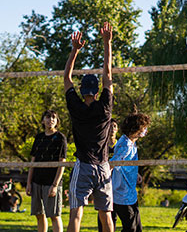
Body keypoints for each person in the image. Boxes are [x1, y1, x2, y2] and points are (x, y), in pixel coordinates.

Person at [64, 22, 114, 232]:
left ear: (82, 91)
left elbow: (66, 78)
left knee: (76, 214)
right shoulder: (104, 108)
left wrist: (74, 51)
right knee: (106, 217)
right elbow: (108, 75)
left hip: (83, 165)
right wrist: (106, 43)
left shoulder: (76, 107)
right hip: (103, 167)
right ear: (96, 93)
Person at [98, 112, 150, 232]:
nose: (145, 130)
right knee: (130, 227)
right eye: (144, 127)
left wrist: (134, 173)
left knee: (137, 227)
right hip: (120, 192)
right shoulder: (125, 144)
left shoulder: (132, 142)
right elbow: (113, 163)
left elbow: (125, 163)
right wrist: (101, 183)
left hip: (129, 190)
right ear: (136, 128)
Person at [26, 110, 67, 232]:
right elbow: (33, 162)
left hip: (52, 182)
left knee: (54, 215)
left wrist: (55, 185)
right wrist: (28, 183)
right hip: (36, 181)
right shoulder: (38, 138)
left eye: (54, 117)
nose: (51, 120)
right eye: (48, 117)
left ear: (57, 121)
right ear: (43, 120)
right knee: (39, 214)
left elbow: (62, 163)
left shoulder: (60, 138)